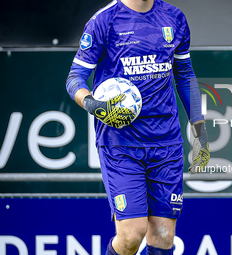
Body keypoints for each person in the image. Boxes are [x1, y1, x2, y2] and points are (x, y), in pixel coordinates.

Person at [66, 0, 210, 254]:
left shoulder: (174, 18)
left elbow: (185, 74)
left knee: (164, 237)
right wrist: (92, 104)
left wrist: (199, 130)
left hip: (166, 143)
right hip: (120, 144)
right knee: (132, 235)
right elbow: (75, 78)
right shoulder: (104, 20)